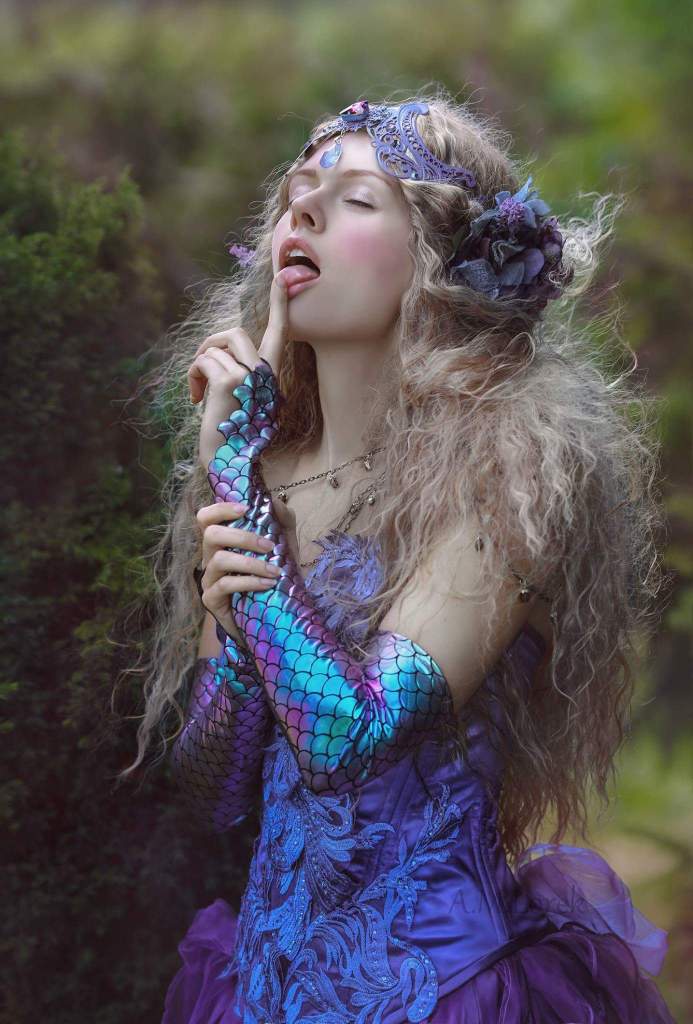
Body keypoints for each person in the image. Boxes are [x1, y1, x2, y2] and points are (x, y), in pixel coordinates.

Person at [119, 89, 676, 1022]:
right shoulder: (266, 469)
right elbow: (215, 792)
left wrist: (236, 493)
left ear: (437, 264)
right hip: (256, 992)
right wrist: (235, 608)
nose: (303, 207)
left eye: (354, 198)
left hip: (439, 991)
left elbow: (349, 740)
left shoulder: (507, 474)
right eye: (297, 191)